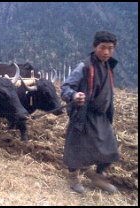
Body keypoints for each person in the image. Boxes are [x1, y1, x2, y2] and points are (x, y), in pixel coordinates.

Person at [61, 31, 120, 193]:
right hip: (84, 115)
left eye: (110, 48)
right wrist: (74, 95)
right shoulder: (84, 67)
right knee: (77, 148)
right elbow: (66, 87)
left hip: (102, 116)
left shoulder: (108, 66)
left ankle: (97, 176)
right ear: (95, 47)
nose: (107, 52)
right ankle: (73, 178)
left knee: (110, 149)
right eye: (103, 48)